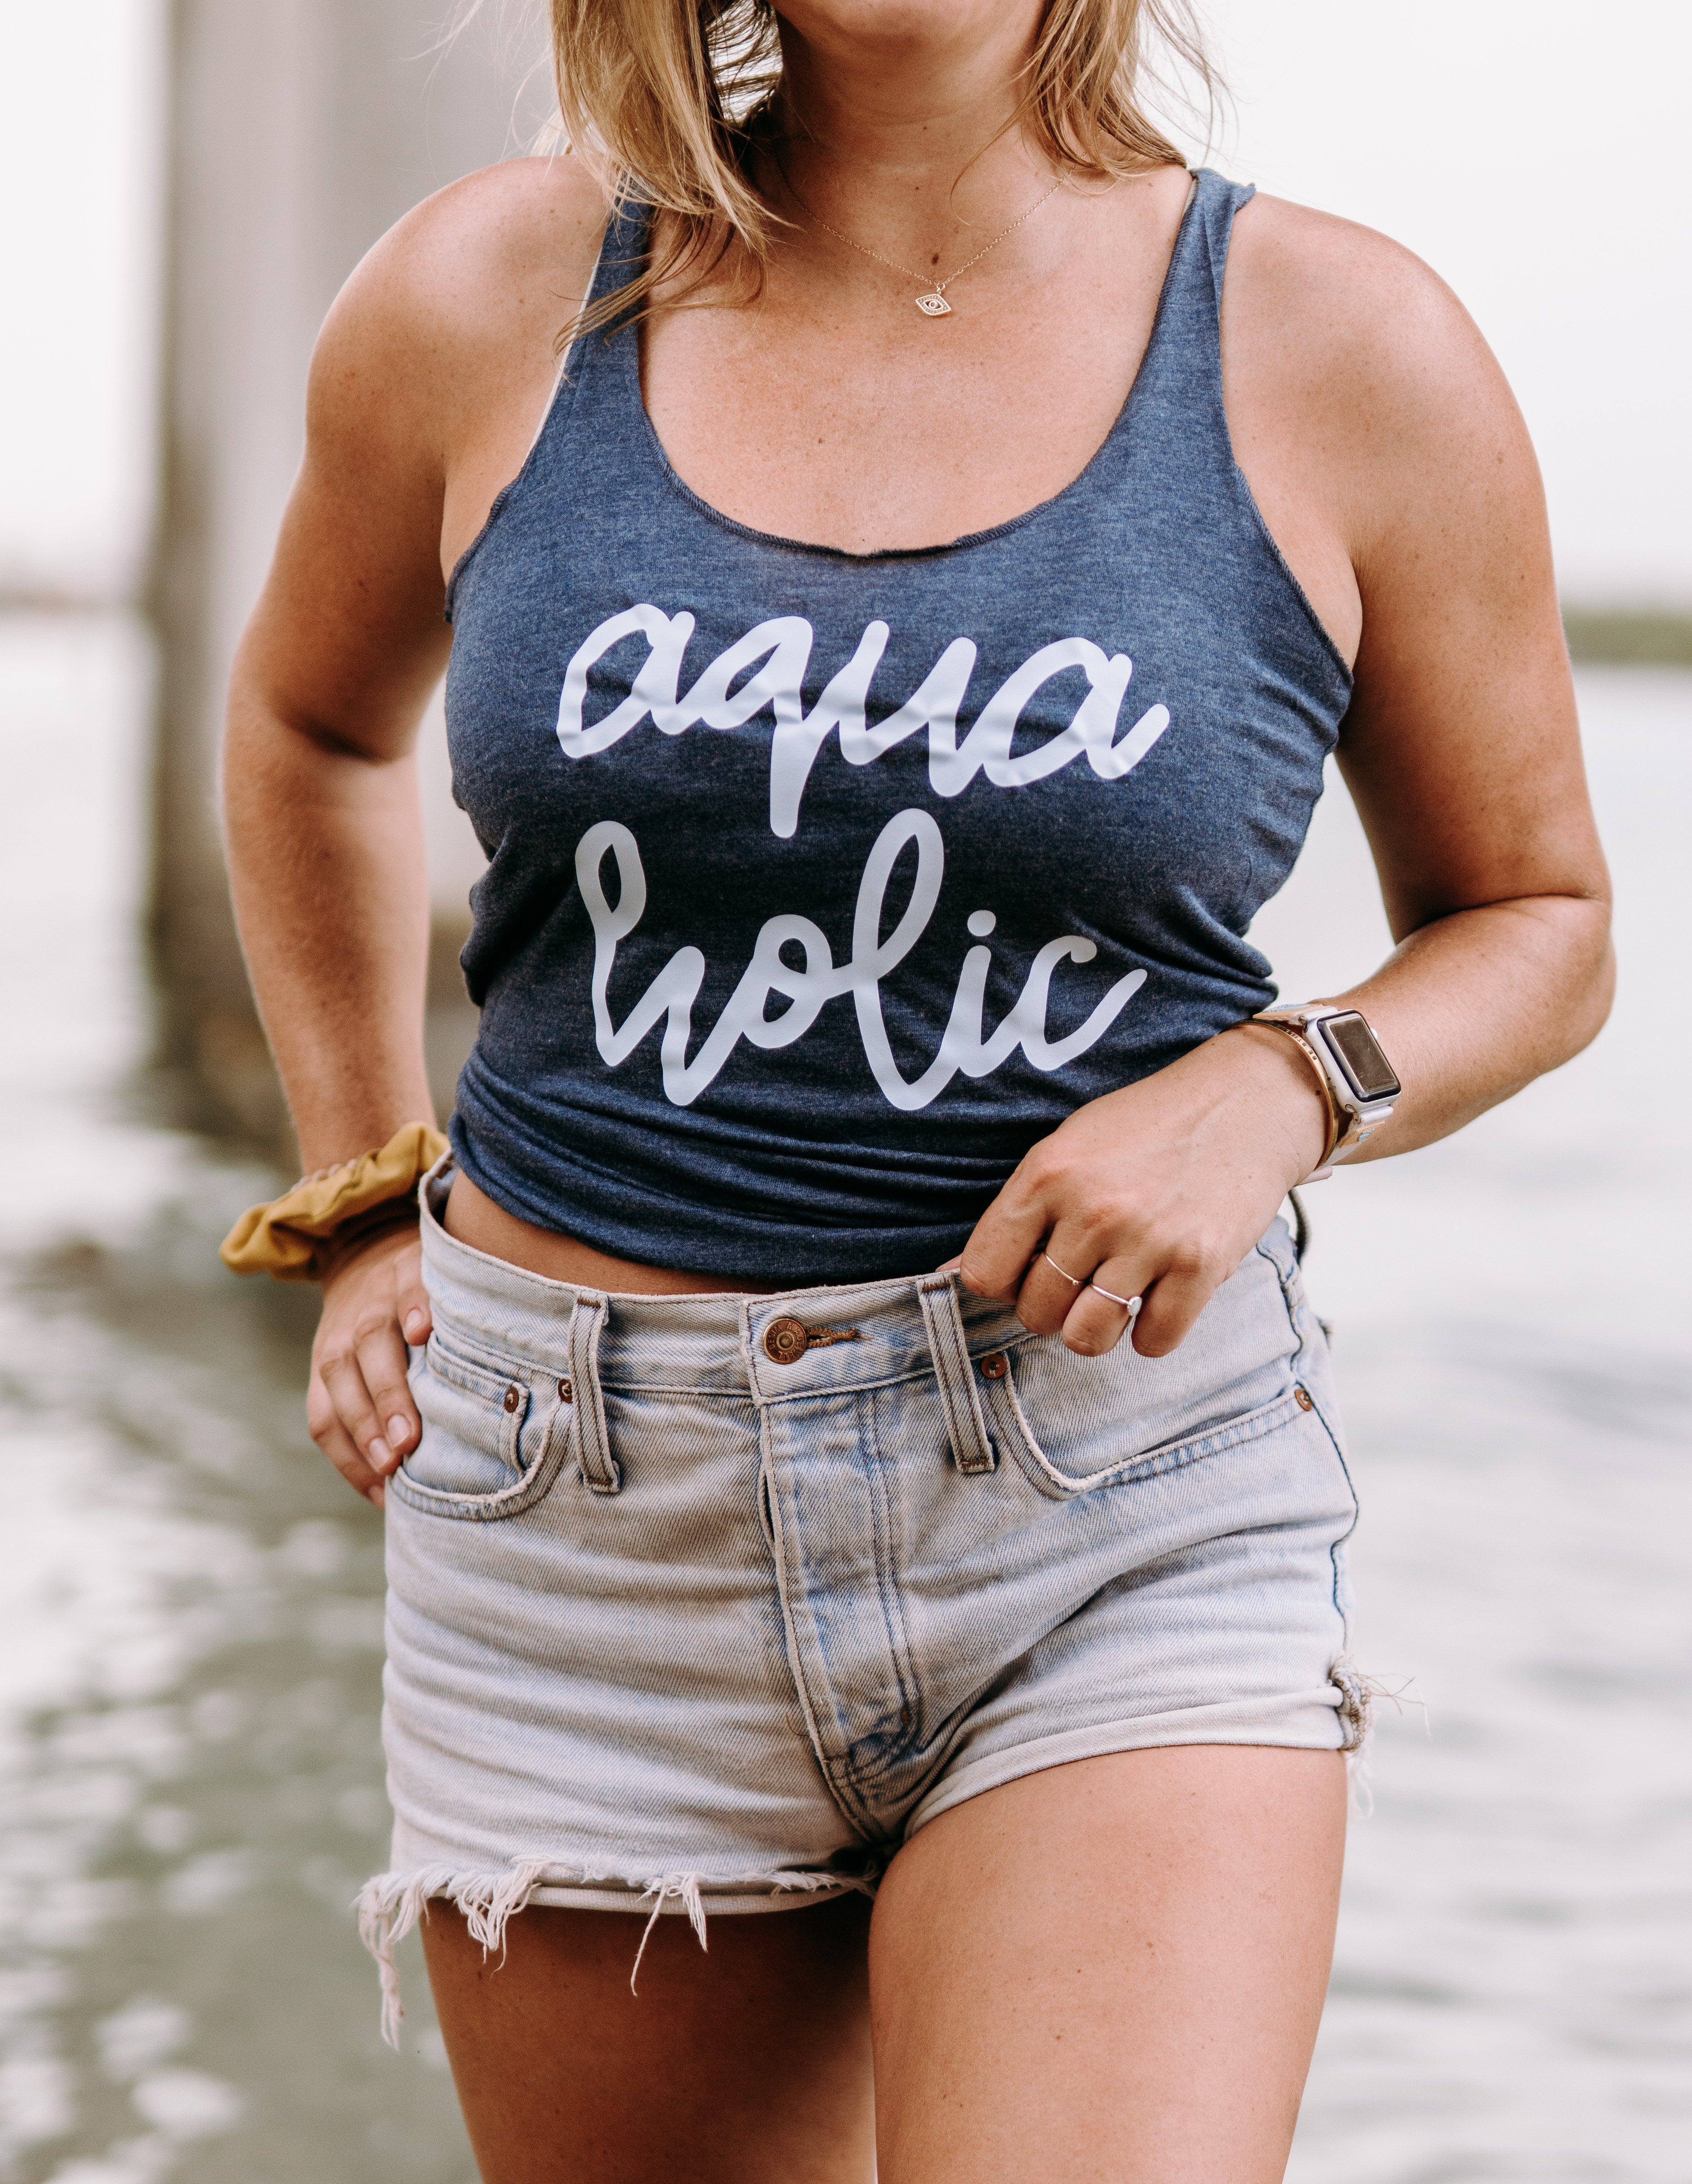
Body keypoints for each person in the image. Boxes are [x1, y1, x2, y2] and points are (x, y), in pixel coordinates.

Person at [219, 1, 1613, 2175]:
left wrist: (1281, 1079)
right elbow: (311, 727)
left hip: (1108, 1496)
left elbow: (1534, 915)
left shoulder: (1335, 344)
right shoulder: (487, 293)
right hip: (576, 1528)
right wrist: (356, 1197)